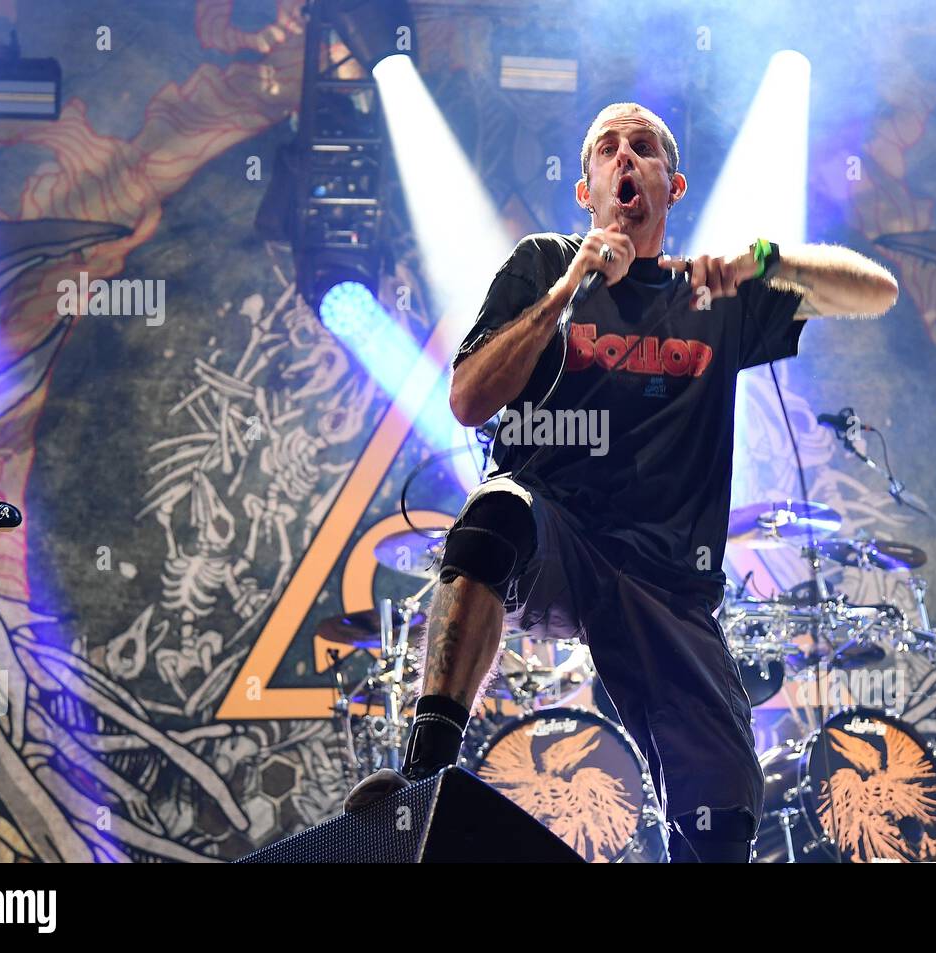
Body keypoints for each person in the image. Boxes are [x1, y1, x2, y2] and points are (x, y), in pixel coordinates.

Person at [345, 102, 899, 862]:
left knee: (725, 817)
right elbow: (470, 399)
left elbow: (877, 292)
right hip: (558, 545)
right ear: (588, 188)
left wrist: (767, 259)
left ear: (672, 185)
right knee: (495, 510)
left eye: (642, 149)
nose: (624, 160)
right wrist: (570, 286)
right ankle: (424, 773)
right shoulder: (545, 263)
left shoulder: (712, 293)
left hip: (669, 582)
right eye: (607, 150)